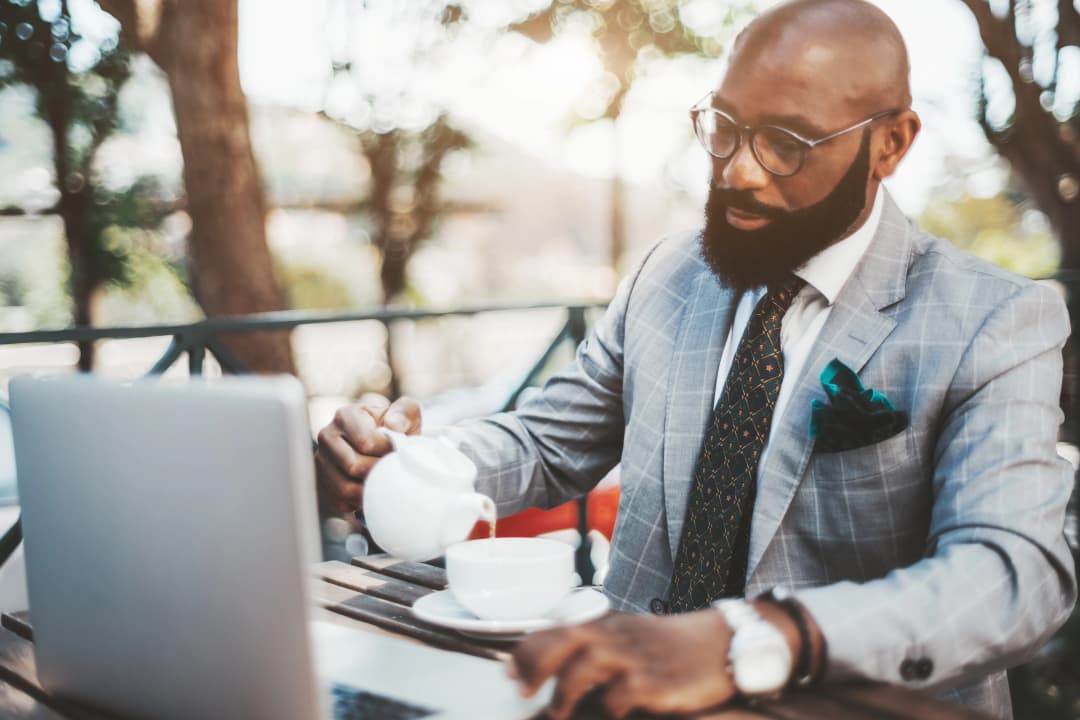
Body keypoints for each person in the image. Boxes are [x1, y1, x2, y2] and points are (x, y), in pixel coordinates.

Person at [314, 1, 1078, 717]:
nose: (736, 169)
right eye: (723, 126)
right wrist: (418, 463)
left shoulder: (993, 318)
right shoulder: (667, 275)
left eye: (785, 143)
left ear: (891, 143)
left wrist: (753, 639)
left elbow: (1012, 572)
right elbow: (549, 440)